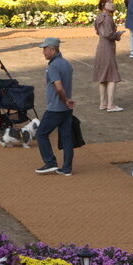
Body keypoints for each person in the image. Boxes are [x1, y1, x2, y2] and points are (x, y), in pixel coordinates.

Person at [34, 37, 77, 176]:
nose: (43, 52)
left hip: (55, 108)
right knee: (66, 138)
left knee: (41, 134)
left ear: (53, 49)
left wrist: (65, 100)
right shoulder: (67, 63)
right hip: (66, 109)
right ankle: (67, 168)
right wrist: (68, 102)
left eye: (45, 49)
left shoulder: (53, 66)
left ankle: (50, 162)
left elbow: (58, 87)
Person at [92, 0, 124, 112]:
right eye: (109, 2)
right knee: (111, 77)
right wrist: (117, 34)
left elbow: (98, 31)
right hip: (107, 49)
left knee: (103, 77)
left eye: (112, 2)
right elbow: (108, 34)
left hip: (101, 48)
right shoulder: (107, 18)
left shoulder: (100, 17)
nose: (112, 4)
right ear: (103, 5)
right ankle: (110, 104)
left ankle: (103, 103)